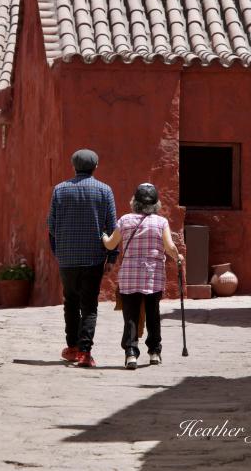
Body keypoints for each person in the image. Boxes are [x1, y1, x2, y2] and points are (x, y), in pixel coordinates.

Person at [47, 149, 118, 368]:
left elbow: (51, 226)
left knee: (70, 301)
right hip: (94, 257)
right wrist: (112, 256)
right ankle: (85, 352)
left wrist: (58, 252)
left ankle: (72, 347)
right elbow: (112, 227)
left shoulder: (59, 190)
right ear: (95, 166)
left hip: (67, 257)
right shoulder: (105, 190)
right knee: (89, 305)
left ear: (73, 166)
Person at [102, 183, 183, 370]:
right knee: (153, 313)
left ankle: (131, 353)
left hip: (129, 275)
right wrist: (178, 256)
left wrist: (103, 236)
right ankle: (154, 352)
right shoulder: (161, 222)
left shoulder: (125, 220)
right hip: (153, 275)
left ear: (135, 202)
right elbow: (170, 247)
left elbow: (110, 245)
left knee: (131, 315)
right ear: (156, 204)